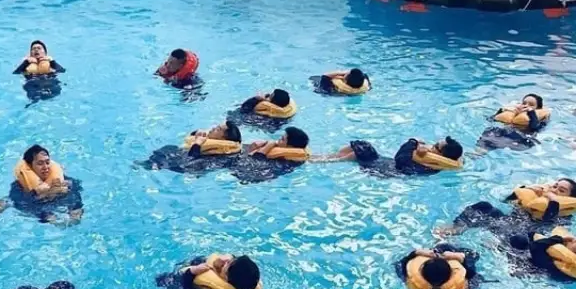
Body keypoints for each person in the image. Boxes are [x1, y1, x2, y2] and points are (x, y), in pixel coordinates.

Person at [440, 179, 576, 238]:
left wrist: (553, 200)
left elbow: (547, 218)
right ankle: (455, 228)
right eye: (555, 186)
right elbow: (506, 202)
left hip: (519, 235)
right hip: (505, 222)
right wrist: (525, 190)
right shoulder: (535, 199)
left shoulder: (564, 215)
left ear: (570, 198)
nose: (554, 190)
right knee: (484, 206)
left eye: (561, 190)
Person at [11, 145, 84, 224]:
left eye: (47, 162)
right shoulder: (19, 186)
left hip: (61, 202)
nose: (45, 167)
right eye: (40, 163)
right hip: (40, 210)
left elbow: (78, 188)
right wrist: (47, 194)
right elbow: (21, 205)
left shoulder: (61, 180)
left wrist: (70, 186)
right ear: (30, 166)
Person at [322, 136, 463, 176]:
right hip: (385, 163)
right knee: (362, 145)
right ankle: (330, 156)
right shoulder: (433, 162)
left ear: (442, 155)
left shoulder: (431, 167)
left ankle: (325, 160)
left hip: (381, 170)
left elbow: (401, 159)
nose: (431, 147)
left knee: (358, 153)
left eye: (436, 147)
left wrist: (412, 142)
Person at [140, 121, 242, 175]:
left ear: (223, 138)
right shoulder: (214, 143)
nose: (213, 128)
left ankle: (149, 166)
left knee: (169, 150)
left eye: (217, 129)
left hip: (188, 167)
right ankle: (149, 165)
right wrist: (195, 135)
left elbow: (191, 160)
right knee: (170, 148)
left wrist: (197, 144)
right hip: (187, 161)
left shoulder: (223, 151)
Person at [509, 228, 576, 284]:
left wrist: (559, 239)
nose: (573, 239)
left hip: (520, 267)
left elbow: (535, 247)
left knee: (519, 240)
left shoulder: (557, 266)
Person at [396, 244, 481, 289]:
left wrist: (417, 252)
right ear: (452, 272)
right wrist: (459, 257)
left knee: (439, 248)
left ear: (421, 271)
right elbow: (471, 274)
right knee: (471, 254)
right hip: (457, 288)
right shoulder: (462, 283)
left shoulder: (410, 278)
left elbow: (400, 264)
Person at [230, 127, 310, 183]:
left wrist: (269, 145)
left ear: (290, 147)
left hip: (247, 175)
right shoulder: (285, 152)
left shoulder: (286, 161)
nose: (278, 140)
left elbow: (256, 160)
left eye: (282, 139)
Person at [476, 93, 549, 152]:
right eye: (524, 103)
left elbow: (535, 128)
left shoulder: (538, 118)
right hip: (502, 133)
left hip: (520, 139)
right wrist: (501, 111)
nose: (526, 106)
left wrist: (531, 113)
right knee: (485, 143)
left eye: (531, 105)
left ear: (538, 109)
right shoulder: (514, 113)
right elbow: (490, 120)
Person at [13, 41, 66, 105]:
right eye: (33, 49)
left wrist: (52, 61)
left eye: (39, 48)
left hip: (51, 85)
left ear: (45, 53)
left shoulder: (51, 64)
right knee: (34, 99)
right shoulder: (26, 64)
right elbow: (16, 73)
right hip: (32, 86)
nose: (36, 50)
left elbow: (62, 71)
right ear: (31, 54)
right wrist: (26, 62)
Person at [228, 88, 297, 131]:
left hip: (242, 121)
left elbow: (243, 109)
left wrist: (255, 99)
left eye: (270, 96)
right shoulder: (284, 116)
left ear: (272, 104)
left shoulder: (263, 111)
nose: (267, 95)